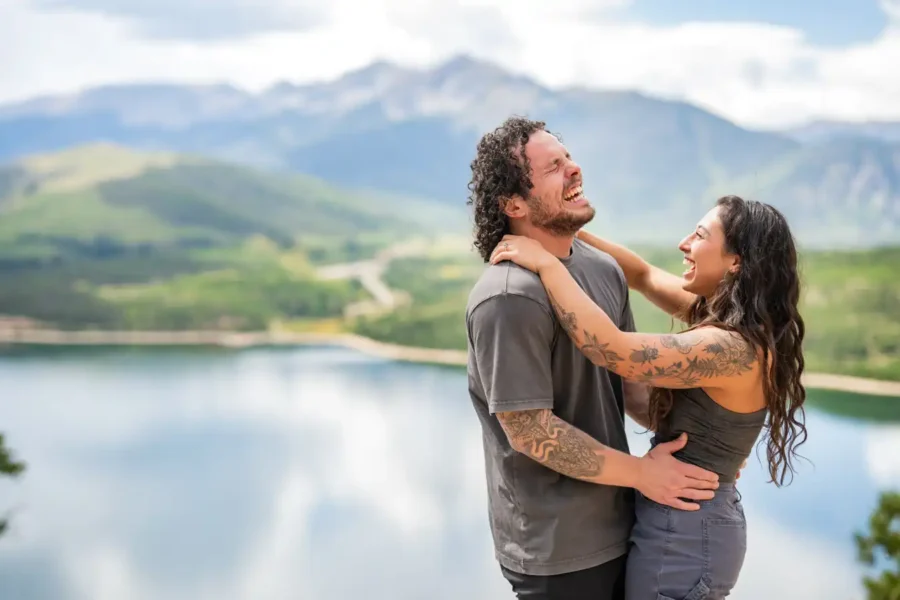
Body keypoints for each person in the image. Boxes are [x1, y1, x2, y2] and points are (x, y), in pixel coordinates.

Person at [489, 194, 808, 600]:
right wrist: (557, 227)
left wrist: (546, 264)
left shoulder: (728, 347)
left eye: (700, 235)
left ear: (736, 261)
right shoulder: (731, 318)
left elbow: (611, 349)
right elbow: (639, 274)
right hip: (688, 525)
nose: (684, 243)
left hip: (687, 536)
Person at [465, 116, 723, 600]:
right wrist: (644, 474)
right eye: (555, 167)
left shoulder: (601, 270)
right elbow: (530, 432)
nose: (575, 169)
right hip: (559, 553)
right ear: (514, 204)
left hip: (628, 520)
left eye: (570, 158)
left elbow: (633, 388)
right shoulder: (508, 296)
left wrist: (705, 445)